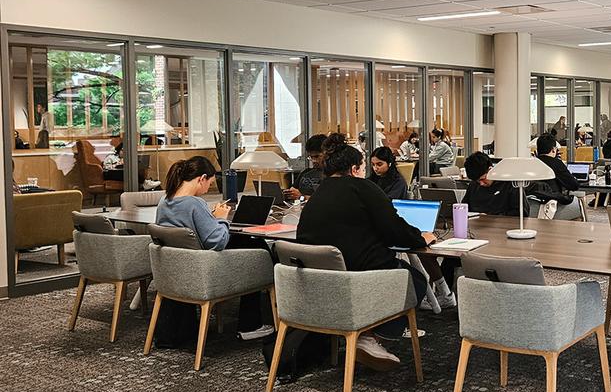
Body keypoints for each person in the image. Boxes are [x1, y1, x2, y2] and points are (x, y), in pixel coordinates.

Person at [296, 134, 437, 369]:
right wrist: (420, 236)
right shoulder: (363, 188)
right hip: (357, 278)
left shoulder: (318, 193)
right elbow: (395, 229)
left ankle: (365, 331)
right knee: (415, 279)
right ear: (354, 169)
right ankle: (371, 338)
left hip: (319, 281)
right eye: (363, 167)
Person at [154, 156, 274, 347]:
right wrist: (221, 218)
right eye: (209, 182)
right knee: (259, 250)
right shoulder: (194, 204)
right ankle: (250, 324)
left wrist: (209, 218)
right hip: (205, 271)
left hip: (178, 269)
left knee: (245, 242)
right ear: (202, 178)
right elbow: (217, 242)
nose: (208, 187)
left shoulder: (165, 201)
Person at [462, 151, 528, 217]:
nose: (481, 184)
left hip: (503, 224)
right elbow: (464, 207)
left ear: (490, 169)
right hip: (475, 224)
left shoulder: (510, 183)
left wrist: (491, 217)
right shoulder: (473, 185)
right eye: (477, 181)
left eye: (482, 179)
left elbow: (521, 212)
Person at [529, 133, 579, 214]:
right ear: (553, 149)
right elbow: (573, 185)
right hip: (550, 205)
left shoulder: (531, 163)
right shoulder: (556, 163)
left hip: (530, 203)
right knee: (578, 202)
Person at [285, 133, 326, 201]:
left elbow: (326, 200)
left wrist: (302, 197)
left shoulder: (332, 176)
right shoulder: (306, 173)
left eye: (317, 156)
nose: (314, 161)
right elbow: (293, 190)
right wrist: (288, 194)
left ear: (326, 154)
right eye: (311, 157)